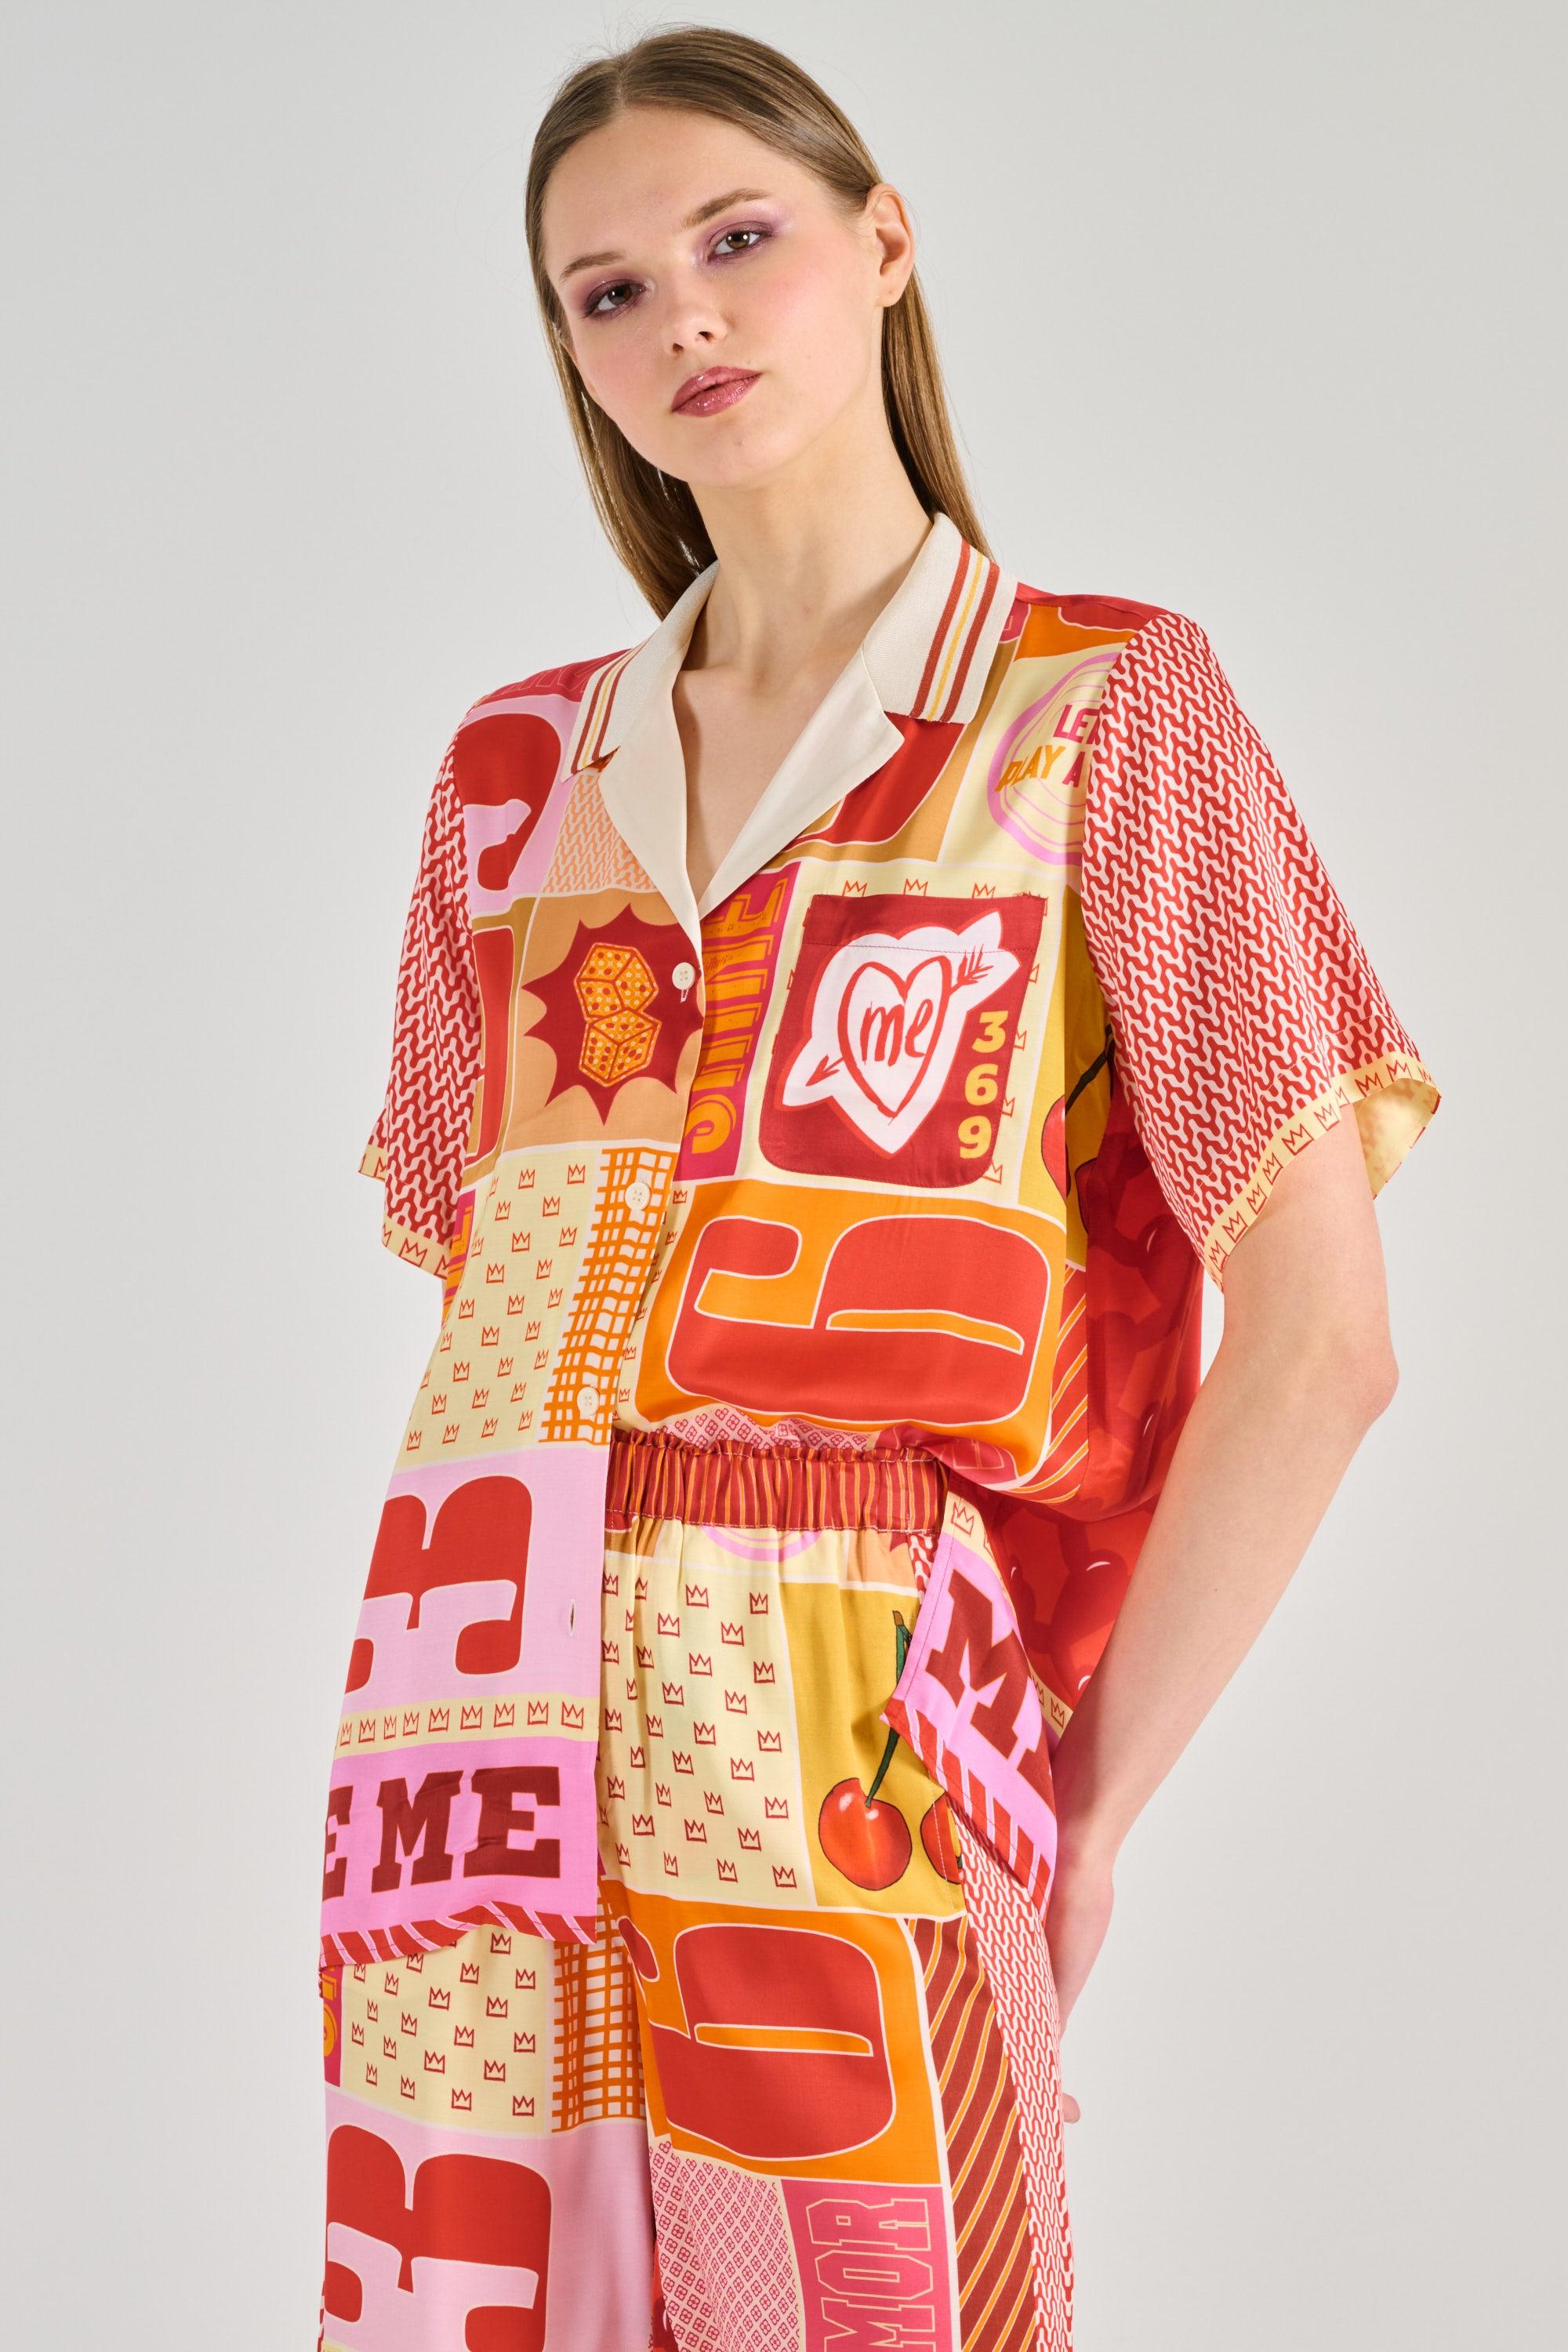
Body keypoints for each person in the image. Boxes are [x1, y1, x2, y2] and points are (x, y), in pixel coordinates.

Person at [314, 27, 1442, 2352]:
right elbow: (486, 1326)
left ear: (885, 241)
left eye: (739, 238)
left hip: (850, 1722)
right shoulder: (512, 779)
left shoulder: (1099, 714)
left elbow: (1328, 1337)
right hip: (468, 1728)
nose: (688, 318)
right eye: (610, 291)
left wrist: (1083, 1810)